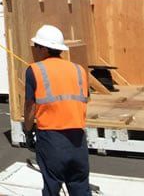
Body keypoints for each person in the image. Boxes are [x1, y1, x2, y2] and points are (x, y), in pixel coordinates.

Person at [23, 24, 90, 196]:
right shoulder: (79, 70)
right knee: (80, 185)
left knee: (52, 187)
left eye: (35, 47)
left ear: (44, 49)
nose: (34, 50)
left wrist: (28, 131)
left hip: (51, 138)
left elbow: (30, 106)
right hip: (78, 139)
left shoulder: (35, 70)